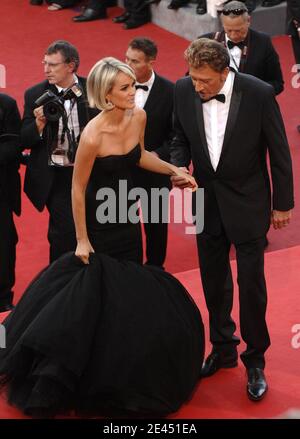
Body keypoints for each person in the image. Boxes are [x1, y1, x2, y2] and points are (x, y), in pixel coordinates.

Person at [0, 58, 204, 418]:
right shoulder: (93, 133)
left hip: (126, 214)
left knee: (127, 291)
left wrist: (173, 170)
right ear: (107, 94)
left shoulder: (138, 117)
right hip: (97, 219)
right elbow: (77, 189)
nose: (134, 92)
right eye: (125, 88)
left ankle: (129, 365)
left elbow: (139, 155)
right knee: (96, 291)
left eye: (133, 86)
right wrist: (81, 239)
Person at [170, 38, 294, 401]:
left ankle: (255, 359)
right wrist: (179, 165)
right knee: (213, 281)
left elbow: (279, 150)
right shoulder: (183, 87)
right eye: (193, 78)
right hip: (206, 202)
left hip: (249, 202)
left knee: (251, 285)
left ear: (226, 72)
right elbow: (179, 136)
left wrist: (282, 203)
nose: (197, 86)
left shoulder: (257, 92)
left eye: (204, 80)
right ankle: (223, 348)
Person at [21, 40, 98, 263]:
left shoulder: (91, 89)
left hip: (90, 171)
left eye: (53, 65)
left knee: (94, 229)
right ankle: (61, 282)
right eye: (45, 63)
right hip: (57, 175)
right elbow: (23, 139)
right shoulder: (34, 94)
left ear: (71, 66)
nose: (46, 69)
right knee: (63, 234)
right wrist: (38, 124)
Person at [125, 37, 174, 269]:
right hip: (122, 170)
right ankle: (130, 269)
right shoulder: (116, 86)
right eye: (126, 59)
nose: (128, 64)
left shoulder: (171, 91)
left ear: (151, 62)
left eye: (134, 61)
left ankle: (156, 269)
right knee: (124, 224)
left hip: (155, 172)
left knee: (156, 225)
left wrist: (158, 154)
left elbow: (177, 136)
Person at [200, 1, 284, 95]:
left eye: (239, 30)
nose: (234, 35)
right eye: (229, 30)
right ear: (222, 24)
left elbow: (277, 83)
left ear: (248, 21)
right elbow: (192, 79)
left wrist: (255, 94)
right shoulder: (207, 42)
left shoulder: (263, 42)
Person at [0, 94, 22, 314]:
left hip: (1, 192)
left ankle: (3, 297)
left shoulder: (6, 105)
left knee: (4, 244)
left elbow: (14, 145)